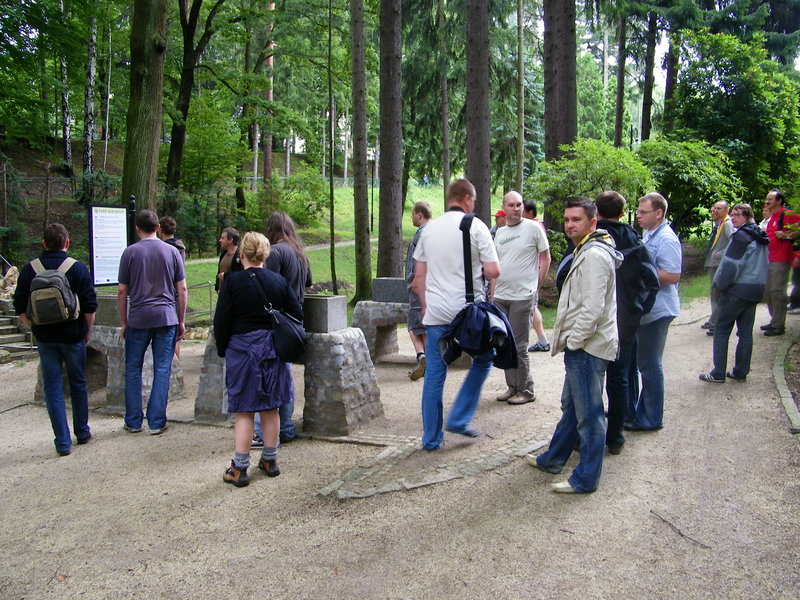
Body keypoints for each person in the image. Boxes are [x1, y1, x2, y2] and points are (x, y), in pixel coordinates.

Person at [524, 197, 621, 494]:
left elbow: (593, 309)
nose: (569, 225)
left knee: (589, 415)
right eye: (567, 220)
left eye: (576, 219)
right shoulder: (585, 249)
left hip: (588, 348)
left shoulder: (594, 255)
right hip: (583, 346)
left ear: (593, 222)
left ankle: (585, 479)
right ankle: (553, 459)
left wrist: (575, 342)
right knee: (572, 407)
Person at [412, 178, 500, 450]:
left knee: (435, 373)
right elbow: (493, 270)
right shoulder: (476, 226)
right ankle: (459, 418)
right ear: (467, 199)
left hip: (437, 313)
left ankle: (431, 439)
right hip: (467, 313)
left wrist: (425, 306)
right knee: (484, 359)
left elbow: (418, 278)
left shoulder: (428, 230)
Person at [214, 232, 303, 487]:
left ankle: (239, 468)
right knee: (270, 407)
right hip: (272, 349)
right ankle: (269, 460)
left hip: (242, 350)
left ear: (241, 254)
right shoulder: (278, 281)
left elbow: (222, 321)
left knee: (244, 409)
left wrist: (223, 348)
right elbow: (296, 313)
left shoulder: (232, 282)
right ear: (265, 255)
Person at [13, 223, 97, 456]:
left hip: (46, 338)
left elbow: (19, 306)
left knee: (52, 388)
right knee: (78, 383)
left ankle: (62, 442)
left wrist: (34, 327)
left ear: (43, 243)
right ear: (66, 243)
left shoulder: (29, 270)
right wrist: (86, 330)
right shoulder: (77, 268)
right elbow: (90, 306)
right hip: (73, 336)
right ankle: (82, 432)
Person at [595, 191, 659, 454]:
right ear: (622, 213)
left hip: (596, 319)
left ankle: (587, 435)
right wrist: (638, 311)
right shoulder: (635, 241)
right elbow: (652, 281)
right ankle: (615, 438)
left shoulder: (590, 237)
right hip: (625, 320)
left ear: (596, 212)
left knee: (590, 378)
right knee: (619, 378)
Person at [117, 210, 187, 435]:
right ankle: (156, 421)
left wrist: (124, 321)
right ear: (158, 228)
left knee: (133, 369)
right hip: (166, 316)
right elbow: (182, 289)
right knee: (162, 368)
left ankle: (133, 421)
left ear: (137, 229)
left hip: (138, 317)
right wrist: (181, 319)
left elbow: (122, 291)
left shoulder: (129, 253)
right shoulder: (172, 252)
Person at [626, 193, 682, 432]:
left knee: (649, 366)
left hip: (658, 311)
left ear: (658, 213)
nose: (638, 215)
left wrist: (638, 273)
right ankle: (636, 411)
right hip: (647, 310)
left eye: (643, 212)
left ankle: (651, 418)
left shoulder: (667, 239)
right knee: (641, 363)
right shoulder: (650, 234)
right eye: (638, 211)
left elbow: (672, 275)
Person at [492, 191, 550, 405]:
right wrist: (492, 295)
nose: (516, 209)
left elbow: (545, 257)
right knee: (505, 344)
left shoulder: (533, 228)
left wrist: (536, 286)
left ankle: (526, 389)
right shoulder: (500, 233)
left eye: (519, 205)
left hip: (523, 296)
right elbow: (496, 264)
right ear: (504, 208)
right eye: (511, 205)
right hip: (501, 296)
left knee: (519, 345)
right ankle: (512, 386)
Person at [700, 203, 768, 383]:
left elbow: (731, 266)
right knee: (745, 333)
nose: (733, 217)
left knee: (721, 329)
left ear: (747, 216)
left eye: (738, 214)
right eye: (732, 214)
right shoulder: (760, 235)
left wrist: (720, 285)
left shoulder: (741, 237)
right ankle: (740, 371)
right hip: (755, 289)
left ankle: (718, 373)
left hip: (737, 290)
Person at [262, 211, 313, 445]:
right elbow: (309, 285)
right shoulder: (300, 253)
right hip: (295, 320)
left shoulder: (275, 252)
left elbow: (268, 285)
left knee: (274, 376)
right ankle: (287, 426)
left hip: (278, 321)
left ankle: (279, 428)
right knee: (286, 374)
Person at [761, 190, 800, 336]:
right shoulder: (772, 216)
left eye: (770, 199)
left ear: (779, 201)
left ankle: (778, 325)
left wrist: (787, 235)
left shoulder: (787, 214)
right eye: (767, 199)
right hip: (769, 258)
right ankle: (774, 321)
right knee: (768, 292)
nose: (767, 201)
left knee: (777, 292)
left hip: (781, 258)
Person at [405, 201, 432, 381]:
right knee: (425, 325)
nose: (412, 217)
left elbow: (420, 261)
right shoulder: (436, 232)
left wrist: (415, 280)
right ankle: (428, 361)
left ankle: (422, 357)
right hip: (432, 286)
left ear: (419, 214)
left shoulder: (422, 234)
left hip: (419, 284)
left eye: (413, 214)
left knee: (414, 326)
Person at [522, 200, 551, 353]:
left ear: (530, 212)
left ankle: (542, 341)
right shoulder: (534, 226)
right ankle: (542, 340)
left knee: (532, 307)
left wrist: (538, 280)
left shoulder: (534, 227)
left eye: (522, 209)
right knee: (533, 307)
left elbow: (545, 256)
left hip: (534, 272)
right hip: (532, 272)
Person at [701, 201, 733, 335]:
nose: (714, 211)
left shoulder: (727, 224)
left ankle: (717, 323)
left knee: (718, 293)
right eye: (713, 208)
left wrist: (721, 253)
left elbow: (733, 241)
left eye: (719, 208)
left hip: (719, 264)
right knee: (715, 293)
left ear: (726, 210)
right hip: (713, 263)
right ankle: (714, 320)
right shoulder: (719, 224)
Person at [215, 227, 243, 292]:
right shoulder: (223, 254)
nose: (220, 240)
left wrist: (226, 275)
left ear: (230, 240)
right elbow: (219, 272)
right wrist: (217, 288)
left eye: (222, 238)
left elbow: (242, 275)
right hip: (223, 293)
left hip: (234, 294)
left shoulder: (241, 256)